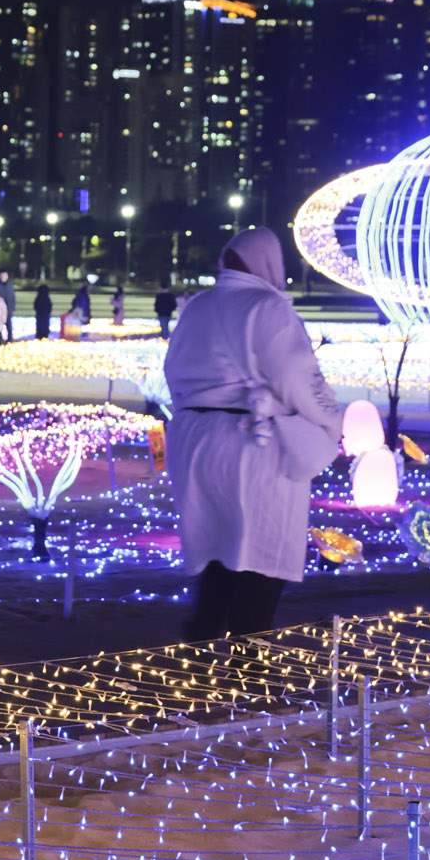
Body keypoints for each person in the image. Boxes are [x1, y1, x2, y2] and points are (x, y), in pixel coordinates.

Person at [165, 229, 343, 642]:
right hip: (252, 441)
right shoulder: (266, 308)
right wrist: (330, 423)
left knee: (217, 553)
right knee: (263, 556)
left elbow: (172, 371)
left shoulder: (198, 306)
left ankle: (202, 651)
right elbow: (297, 377)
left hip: (195, 440)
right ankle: (252, 664)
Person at [0, 270, 19, 341]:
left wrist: (12, 307)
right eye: (2, 275)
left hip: (9, 310)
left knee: (9, 326)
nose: (3, 277)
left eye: (5, 275)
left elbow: (12, 297)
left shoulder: (10, 285)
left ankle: (9, 339)